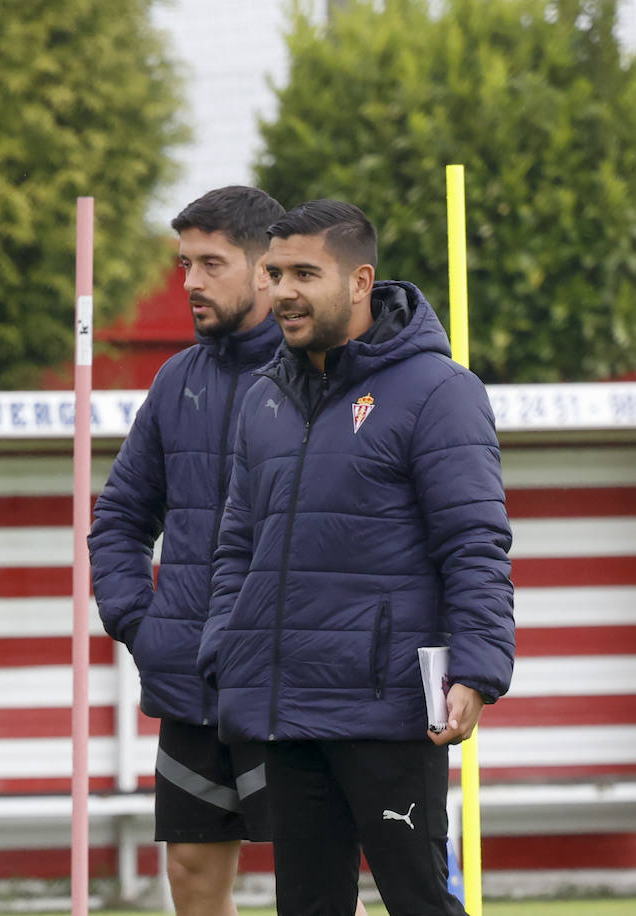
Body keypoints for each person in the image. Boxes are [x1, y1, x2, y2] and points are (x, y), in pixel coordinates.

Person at [199, 199, 515, 915]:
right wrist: (225, 647)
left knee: (421, 904)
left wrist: (477, 669)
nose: (282, 291)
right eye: (274, 273)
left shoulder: (440, 392)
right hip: (285, 708)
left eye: (305, 273)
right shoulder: (264, 399)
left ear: (360, 280)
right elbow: (238, 544)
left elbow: (474, 542)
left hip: (390, 709)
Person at [89, 186, 289, 915]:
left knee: (315, 887)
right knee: (194, 883)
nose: (191, 283)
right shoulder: (176, 382)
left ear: (268, 268)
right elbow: (117, 521)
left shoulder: (327, 376)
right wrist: (144, 625)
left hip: (289, 688)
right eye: (184, 264)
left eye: (211, 263)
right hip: (190, 686)